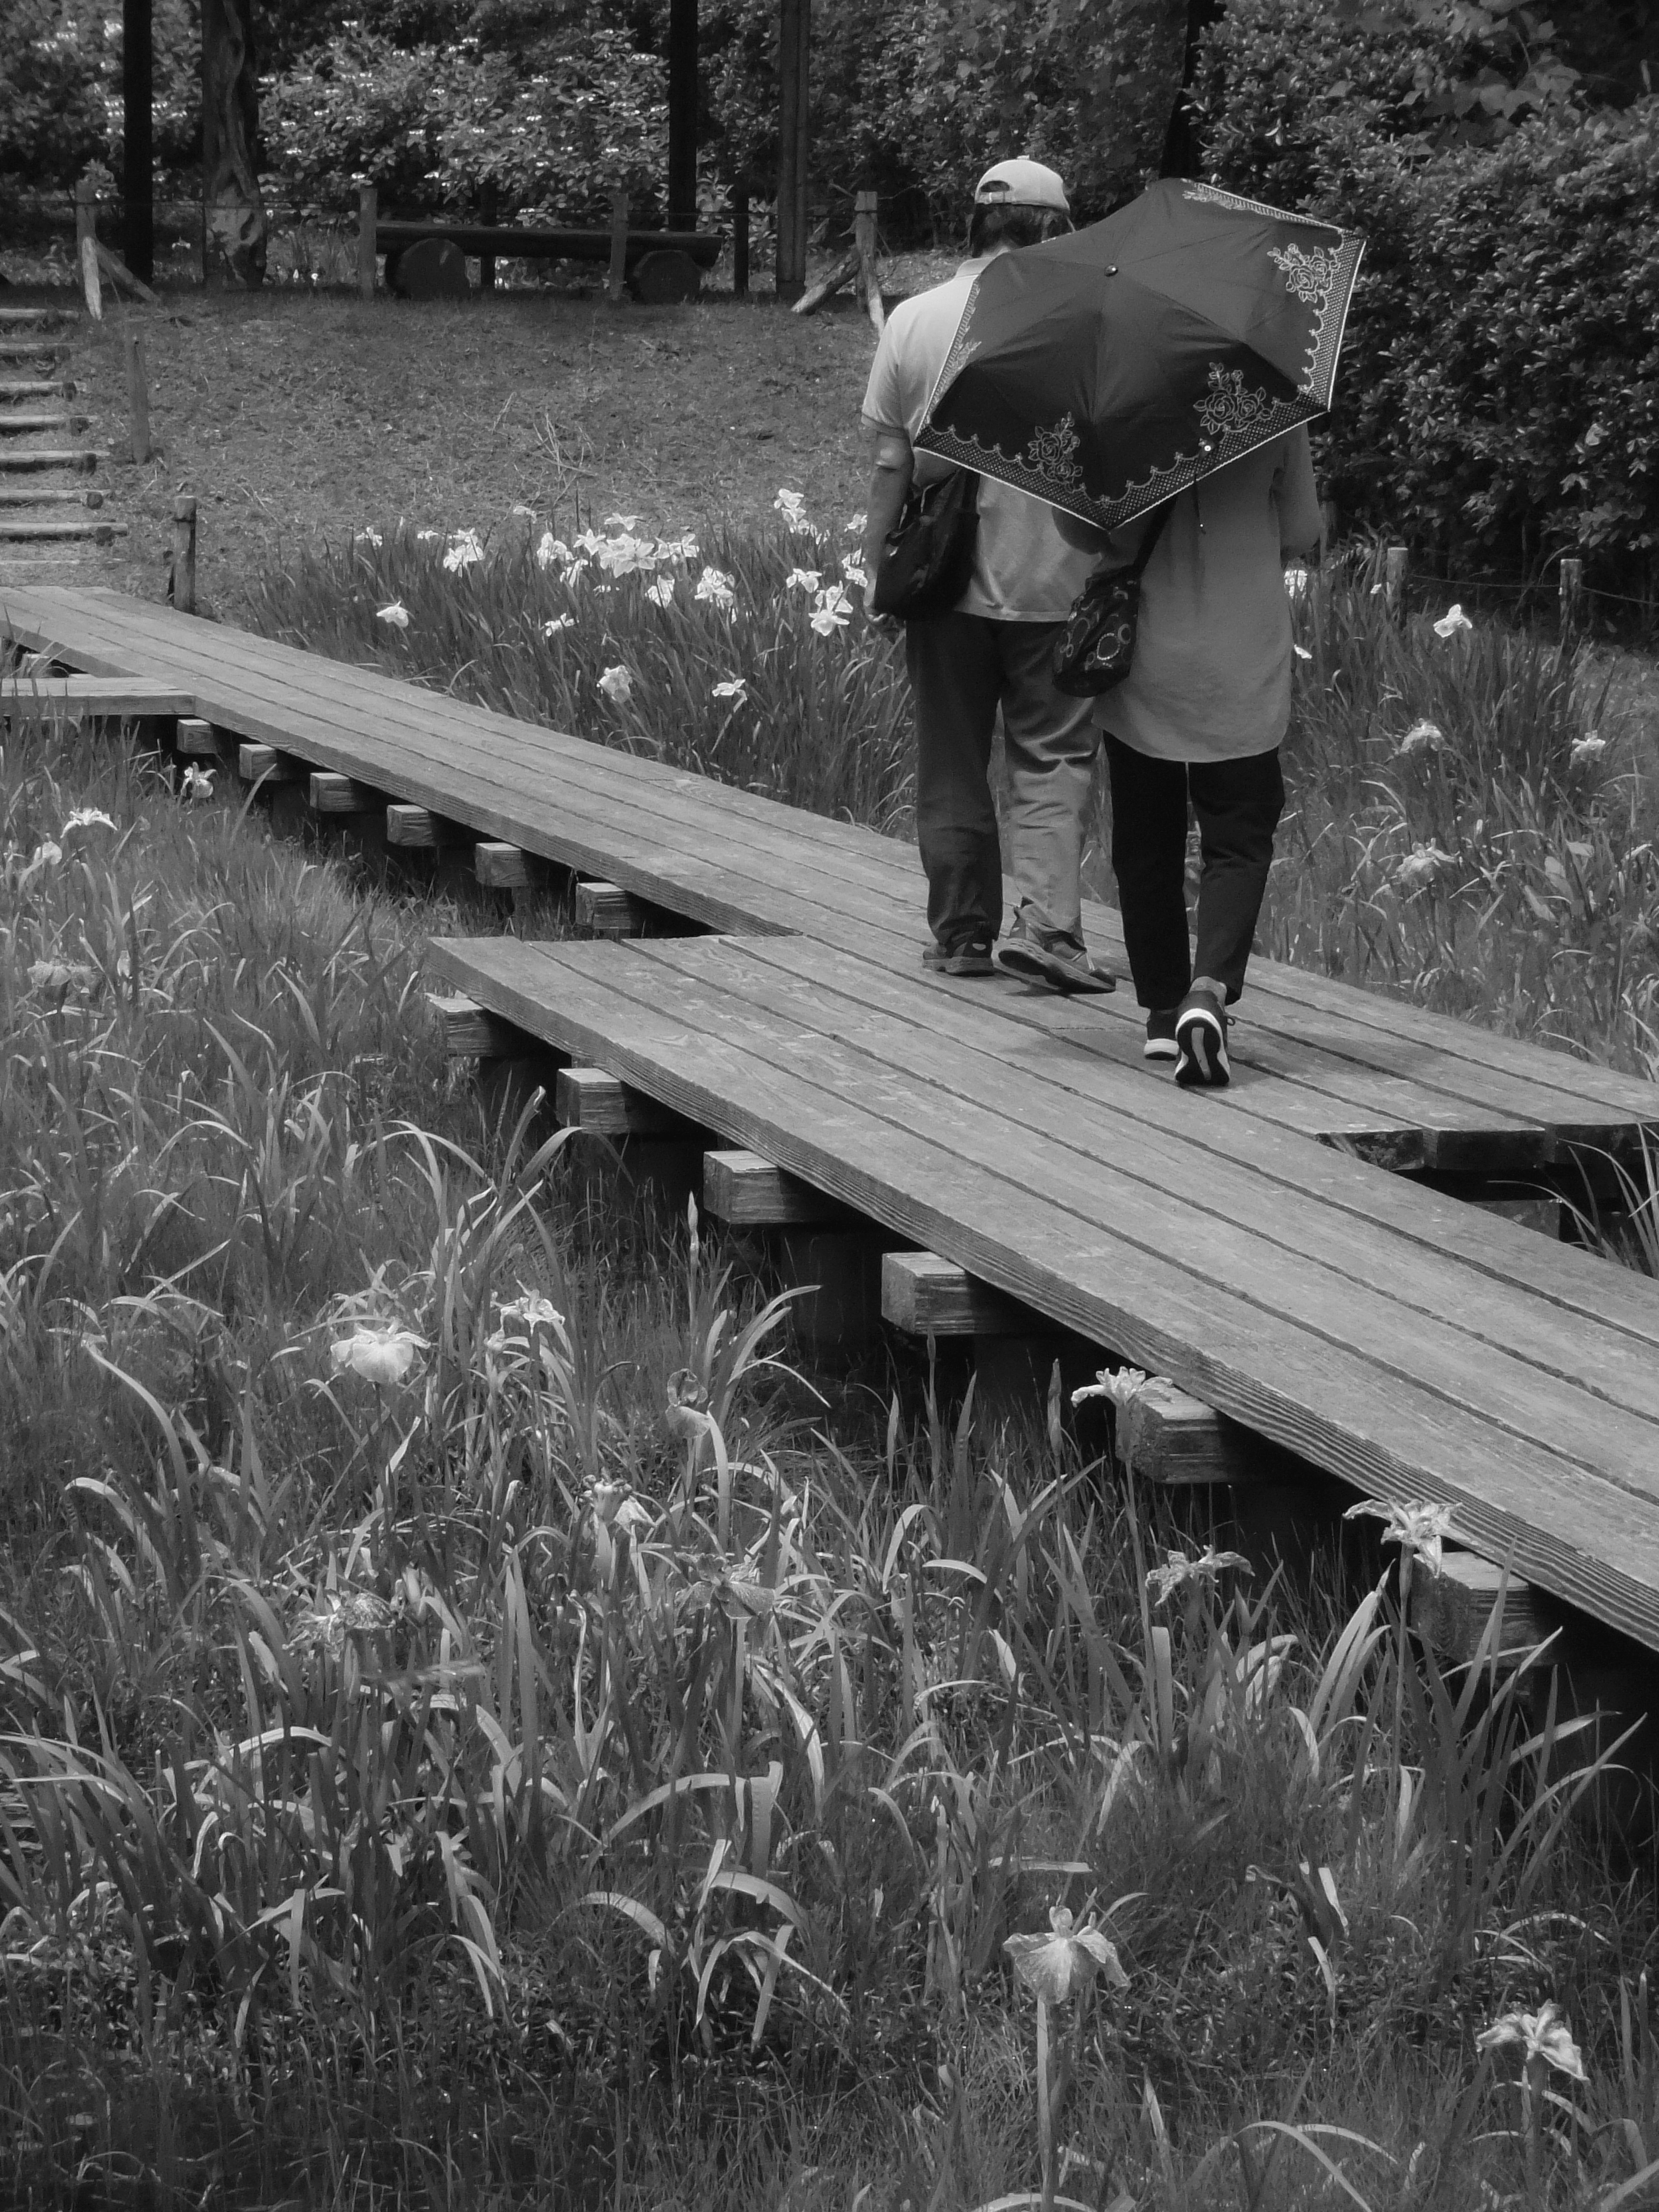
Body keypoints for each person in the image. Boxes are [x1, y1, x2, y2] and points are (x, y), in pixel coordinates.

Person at [859, 158, 1113, 991]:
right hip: (1060, 574)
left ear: (978, 225)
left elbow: (892, 463)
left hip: (947, 577)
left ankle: (963, 934)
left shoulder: (916, 319)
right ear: (1057, 227)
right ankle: (1047, 929)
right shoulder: (1090, 319)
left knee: (953, 757)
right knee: (1052, 753)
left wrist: (876, 570)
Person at [1089, 430, 1323, 1084]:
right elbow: (1303, 528)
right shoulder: (1271, 404)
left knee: (1145, 839)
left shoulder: (1116, 408)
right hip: (1242, 653)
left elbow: (1086, 536)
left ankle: (1164, 1012)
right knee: (1239, 836)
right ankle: (1210, 991)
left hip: (1147, 657)